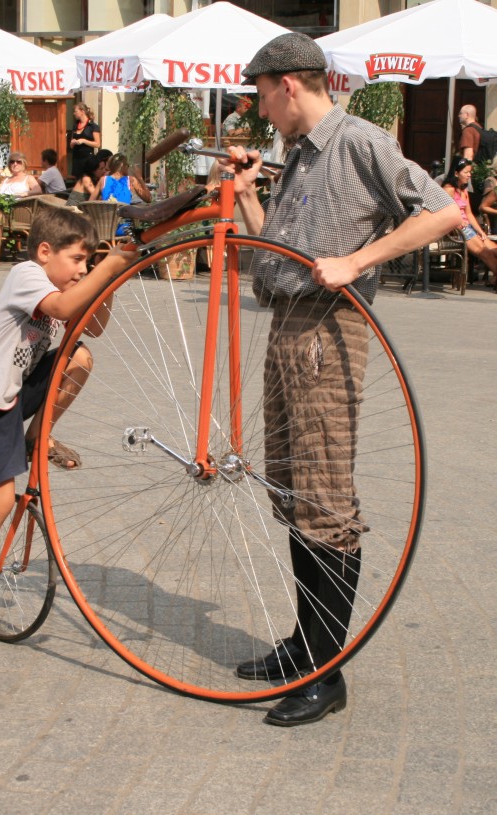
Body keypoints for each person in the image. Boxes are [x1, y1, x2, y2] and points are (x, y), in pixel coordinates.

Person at [220, 32, 460, 727]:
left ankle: (328, 673)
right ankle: (304, 647)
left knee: (325, 498)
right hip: (287, 327)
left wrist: (358, 261)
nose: (259, 109)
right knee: (294, 493)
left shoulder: (356, 142)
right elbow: (276, 256)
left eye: (261, 94)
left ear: (287, 85)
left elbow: (443, 210)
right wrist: (242, 196)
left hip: (327, 331)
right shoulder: (297, 158)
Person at [0, 206, 138, 655]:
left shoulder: (63, 282)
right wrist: (111, 264)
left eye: (88, 261)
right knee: (1, 498)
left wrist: (107, 278)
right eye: (77, 260)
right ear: (45, 252)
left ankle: (38, 436)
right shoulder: (28, 276)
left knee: (80, 358)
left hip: (15, 394)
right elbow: (65, 307)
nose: (82, 269)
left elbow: (95, 326)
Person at [442, 155, 497, 288]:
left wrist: (480, 231)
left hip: (468, 227)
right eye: (466, 172)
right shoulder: (449, 189)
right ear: (456, 173)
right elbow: (444, 212)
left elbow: (469, 213)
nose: (469, 175)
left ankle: (495, 279)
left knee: (494, 249)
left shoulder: (463, 189)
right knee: (484, 252)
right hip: (456, 229)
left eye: (470, 172)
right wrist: (458, 222)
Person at [98, 153, 151, 235]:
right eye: (127, 165)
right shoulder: (131, 180)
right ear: (122, 165)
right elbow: (148, 199)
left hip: (105, 228)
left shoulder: (103, 180)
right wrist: (140, 178)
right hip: (124, 229)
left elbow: (90, 202)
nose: (128, 168)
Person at [68, 102, 101, 178]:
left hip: (87, 158)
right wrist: (73, 142)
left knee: (87, 178)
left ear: (82, 112)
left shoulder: (92, 126)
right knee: (76, 179)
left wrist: (83, 141)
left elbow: (97, 144)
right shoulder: (75, 126)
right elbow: (71, 145)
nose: (74, 113)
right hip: (76, 158)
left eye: (76, 111)